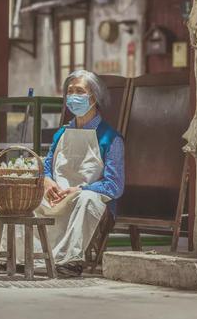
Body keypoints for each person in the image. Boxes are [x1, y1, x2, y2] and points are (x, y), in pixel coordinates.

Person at [40, 70, 125, 277]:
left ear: (93, 97)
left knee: (87, 199)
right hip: (58, 196)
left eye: (79, 91)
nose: (73, 96)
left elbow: (114, 185)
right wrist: (48, 181)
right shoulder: (61, 133)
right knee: (26, 198)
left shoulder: (111, 138)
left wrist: (80, 189)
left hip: (88, 198)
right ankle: (21, 257)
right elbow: (47, 166)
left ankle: (70, 261)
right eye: (70, 91)